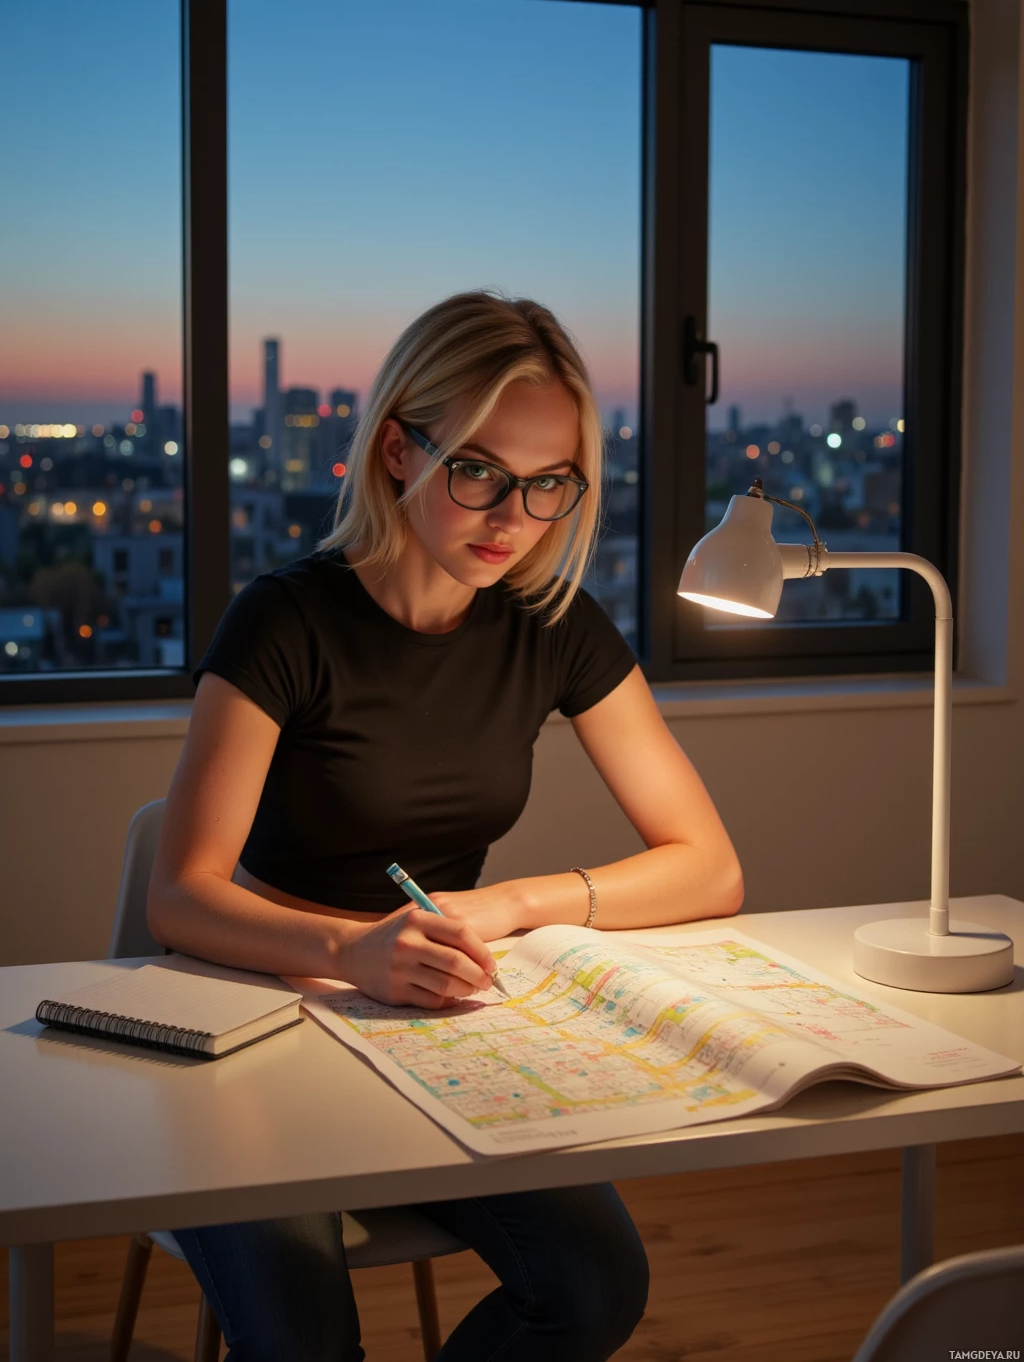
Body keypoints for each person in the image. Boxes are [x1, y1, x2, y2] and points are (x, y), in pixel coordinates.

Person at [149, 289, 744, 1362]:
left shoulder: (552, 625)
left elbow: (708, 868)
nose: (513, 518)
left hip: (429, 1019)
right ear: (396, 452)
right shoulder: (285, 619)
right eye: (478, 471)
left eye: (550, 483)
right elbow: (180, 895)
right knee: (303, 1341)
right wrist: (350, 950)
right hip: (253, 1013)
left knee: (595, 1286)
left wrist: (507, 904)